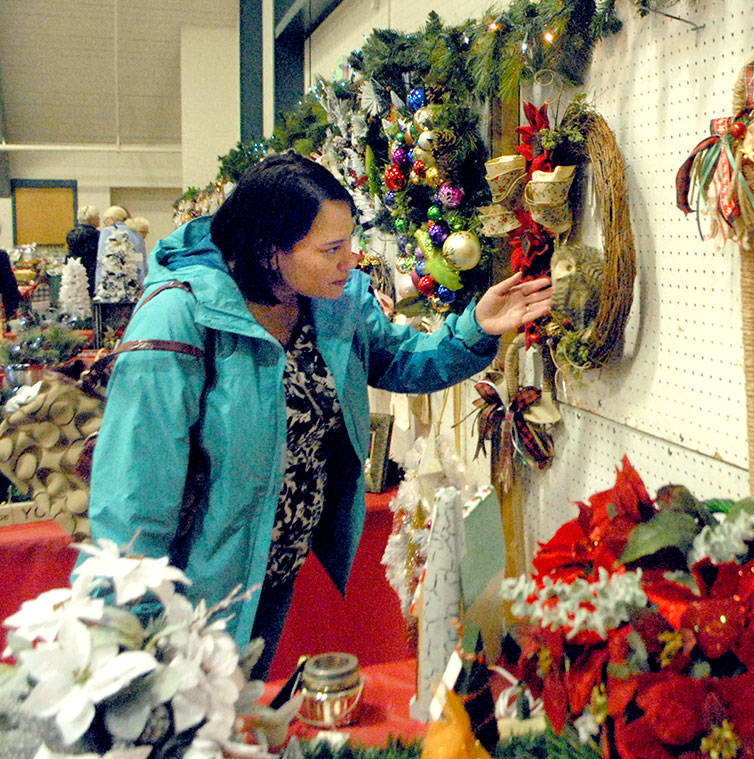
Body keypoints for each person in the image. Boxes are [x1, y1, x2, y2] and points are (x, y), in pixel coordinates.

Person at [86, 152, 552, 677]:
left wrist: (477, 328)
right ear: (269, 251)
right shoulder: (181, 316)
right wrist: (126, 637)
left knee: (238, 716)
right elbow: (132, 492)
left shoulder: (328, 301)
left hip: (271, 574)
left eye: (349, 242)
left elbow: (397, 359)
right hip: (190, 590)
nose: (349, 261)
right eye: (331, 249)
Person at [94, 205, 148, 295]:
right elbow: (142, 262)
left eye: (105, 220)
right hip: (134, 283)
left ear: (111, 219)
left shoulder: (106, 232)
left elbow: (101, 259)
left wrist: (98, 287)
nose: (104, 223)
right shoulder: (136, 233)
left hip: (112, 284)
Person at [66, 205, 100, 289]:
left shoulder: (71, 234)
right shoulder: (96, 235)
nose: (99, 219)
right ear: (92, 220)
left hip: (74, 271)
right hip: (91, 273)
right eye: (97, 217)